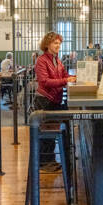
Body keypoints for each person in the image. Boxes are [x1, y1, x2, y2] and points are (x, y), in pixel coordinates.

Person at [34, 32, 76, 172]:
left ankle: (50, 160)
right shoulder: (41, 60)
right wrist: (66, 80)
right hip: (44, 100)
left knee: (50, 135)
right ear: (47, 44)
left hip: (54, 100)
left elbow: (63, 74)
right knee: (47, 136)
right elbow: (44, 82)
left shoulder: (56, 60)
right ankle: (45, 163)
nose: (58, 45)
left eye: (59, 43)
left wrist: (73, 77)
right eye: (55, 43)